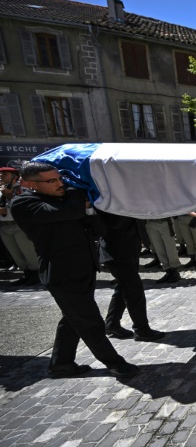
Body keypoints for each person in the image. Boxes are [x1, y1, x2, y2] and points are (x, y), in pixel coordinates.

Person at [11, 162, 139, 379]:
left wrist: (88, 209)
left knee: (72, 318)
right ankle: (116, 364)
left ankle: (61, 364)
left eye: (60, 178)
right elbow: (69, 212)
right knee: (89, 320)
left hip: (84, 269)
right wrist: (75, 189)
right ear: (29, 183)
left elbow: (98, 229)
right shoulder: (24, 204)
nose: (60, 184)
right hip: (61, 273)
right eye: (52, 181)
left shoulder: (63, 202)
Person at [98, 210, 166, 341]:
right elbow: (114, 223)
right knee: (134, 290)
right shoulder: (110, 203)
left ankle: (112, 324)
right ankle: (142, 330)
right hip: (116, 252)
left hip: (128, 249)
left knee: (123, 287)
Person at [0, 167, 39, 285]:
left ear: (14, 176)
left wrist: (9, 196)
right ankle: (27, 274)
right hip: (4, 226)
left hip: (19, 225)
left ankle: (36, 275)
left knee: (28, 252)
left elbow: (24, 206)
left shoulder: (21, 189)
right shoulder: (1, 189)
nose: (1, 176)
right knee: (16, 254)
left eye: (4, 174)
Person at [144, 217, 182, 284]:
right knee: (159, 249)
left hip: (165, 222)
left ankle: (174, 271)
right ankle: (167, 271)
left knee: (170, 248)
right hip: (151, 222)